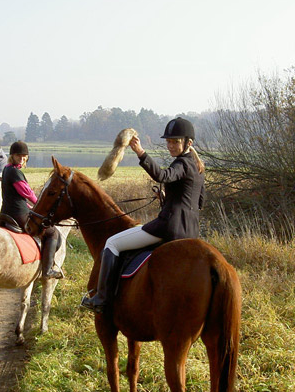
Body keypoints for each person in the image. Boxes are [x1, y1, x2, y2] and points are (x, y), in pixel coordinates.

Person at [80, 117, 205, 313]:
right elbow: (197, 202)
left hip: (168, 228)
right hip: (191, 232)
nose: (170, 145)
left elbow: (162, 176)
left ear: (188, 143)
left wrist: (140, 152)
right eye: (169, 141)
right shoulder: (198, 167)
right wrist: (166, 198)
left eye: (175, 141)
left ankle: (101, 299)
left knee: (112, 243)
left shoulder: (182, 163)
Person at [0, 141, 64, 279]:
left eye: (24, 156)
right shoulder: (15, 172)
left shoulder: (6, 169)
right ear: (12, 156)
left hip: (6, 211)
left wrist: (31, 208)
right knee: (52, 232)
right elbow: (27, 193)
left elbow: (16, 197)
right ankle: (47, 271)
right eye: (18, 156)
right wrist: (39, 205)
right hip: (18, 214)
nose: (22, 159)